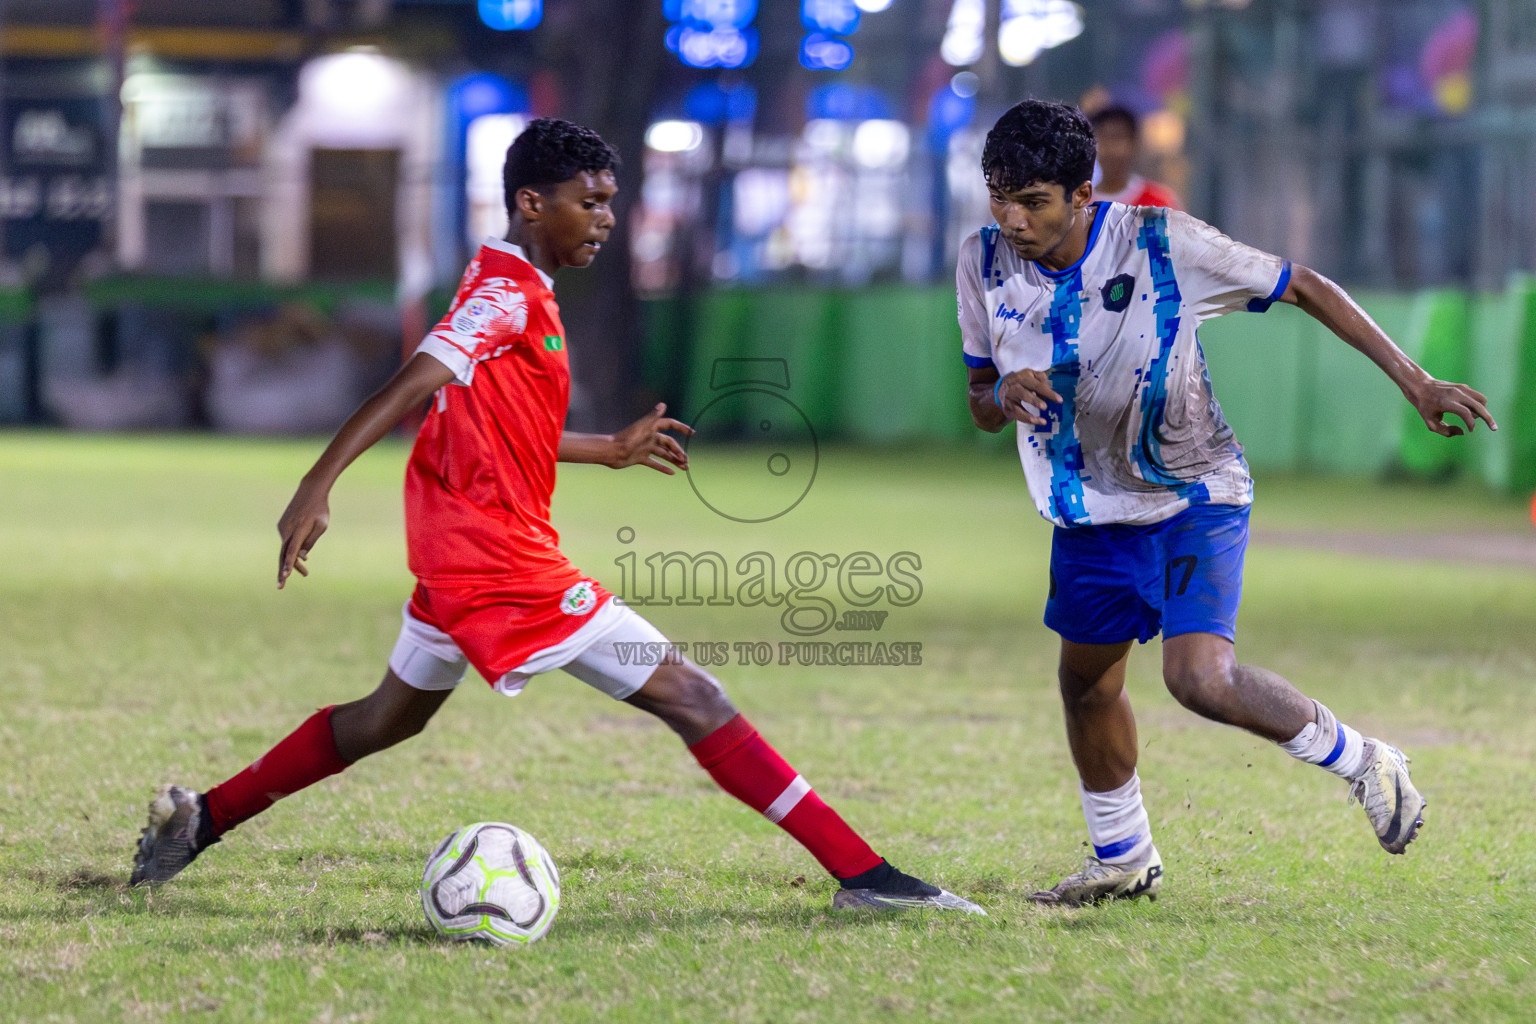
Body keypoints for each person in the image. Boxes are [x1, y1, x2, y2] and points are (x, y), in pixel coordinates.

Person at [131, 118, 983, 916]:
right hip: (502, 563)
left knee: (386, 717)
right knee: (695, 695)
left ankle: (201, 819)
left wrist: (607, 447)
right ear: (533, 203)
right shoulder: (503, 298)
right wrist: (317, 485)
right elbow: (414, 383)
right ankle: (865, 875)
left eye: (611, 200)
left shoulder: (513, 282)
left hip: (459, 551)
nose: (606, 218)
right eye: (591, 200)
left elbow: (502, 423)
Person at [957, 100, 1494, 906]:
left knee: (1199, 678)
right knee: (1086, 687)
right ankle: (1123, 856)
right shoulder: (981, 262)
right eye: (999, 195)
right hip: (1089, 511)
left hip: (1193, 489)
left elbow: (1304, 286)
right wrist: (1004, 388)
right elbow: (977, 399)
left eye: (1032, 200)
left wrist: (1416, 381)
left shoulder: (1160, 244)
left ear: (1083, 195)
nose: (1012, 217)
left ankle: (1363, 760)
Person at [1089, 105, 1180, 210]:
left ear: (1134, 144)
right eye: (1103, 138)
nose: (1110, 148)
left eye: (1117, 138)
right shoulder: (1080, 205)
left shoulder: (1159, 202)